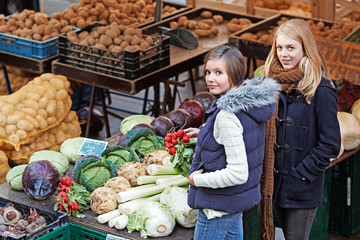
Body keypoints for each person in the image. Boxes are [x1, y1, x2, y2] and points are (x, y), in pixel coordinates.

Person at [187, 44, 281, 240]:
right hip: (233, 204)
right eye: (208, 72)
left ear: (235, 73)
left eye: (219, 72)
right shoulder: (249, 105)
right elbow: (241, 140)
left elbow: (238, 173)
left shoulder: (226, 115)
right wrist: (205, 133)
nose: (211, 78)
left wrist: (197, 179)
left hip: (216, 209)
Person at [261, 19, 341, 240]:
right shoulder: (272, 83)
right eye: (279, 47)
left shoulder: (321, 89)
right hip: (274, 184)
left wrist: (301, 175)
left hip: (302, 187)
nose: (283, 54)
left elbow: (330, 144)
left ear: (306, 48)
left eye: (291, 48)